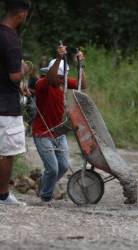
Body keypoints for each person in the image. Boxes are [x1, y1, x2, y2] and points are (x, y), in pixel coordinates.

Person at [32, 45, 87, 202]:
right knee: (53, 168)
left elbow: (82, 85)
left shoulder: (61, 83)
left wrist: (80, 65)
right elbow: (51, 78)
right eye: (60, 77)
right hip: (42, 133)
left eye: (63, 78)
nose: (62, 80)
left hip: (58, 132)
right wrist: (58, 58)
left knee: (62, 166)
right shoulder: (42, 84)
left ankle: (43, 185)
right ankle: (46, 197)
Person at [0, 0, 30, 206]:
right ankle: (2, 196)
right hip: (6, 107)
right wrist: (25, 69)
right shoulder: (11, 39)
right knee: (7, 153)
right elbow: (13, 75)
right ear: (21, 14)